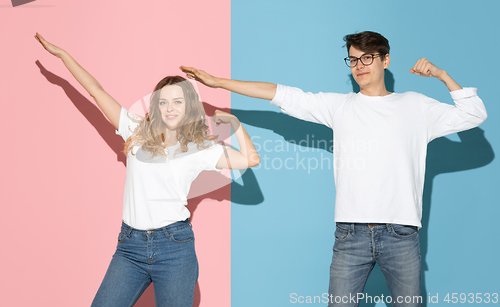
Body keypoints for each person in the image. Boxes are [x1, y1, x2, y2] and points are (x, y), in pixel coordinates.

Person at [180, 31, 487, 307]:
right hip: (350, 234)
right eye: (353, 59)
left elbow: (474, 113)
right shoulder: (340, 106)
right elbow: (279, 93)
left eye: (367, 57)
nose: (359, 65)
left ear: (386, 60)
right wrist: (219, 82)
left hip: (401, 233)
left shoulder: (415, 105)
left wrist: (441, 75)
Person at [35, 33, 260, 307]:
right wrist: (63, 55)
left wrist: (235, 123)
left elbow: (251, 159)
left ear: (189, 106)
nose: (170, 108)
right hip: (129, 247)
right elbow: (96, 91)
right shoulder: (136, 130)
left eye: (177, 101)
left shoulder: (199, 149)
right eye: (163, 102)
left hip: (174, 248)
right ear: (155, 106)